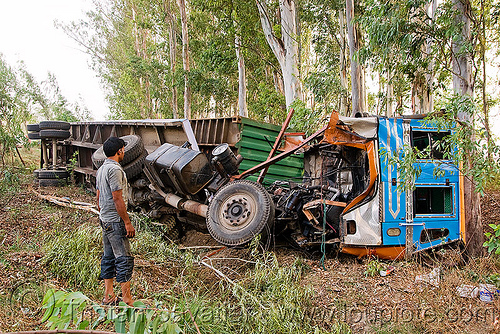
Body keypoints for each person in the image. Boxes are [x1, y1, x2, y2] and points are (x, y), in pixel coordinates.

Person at [96, 137, 135, 306]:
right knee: (124, 259)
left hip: (104, 219)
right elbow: (117, 198)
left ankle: (108, 296)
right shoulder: (115, 170)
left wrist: (102, 213)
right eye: (123, 149)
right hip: (115, 221)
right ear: (119, 151)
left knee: (108, 257)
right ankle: (127, 300)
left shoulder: (101, 169)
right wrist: (127, 222)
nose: (124, 152)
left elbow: (98, 196)